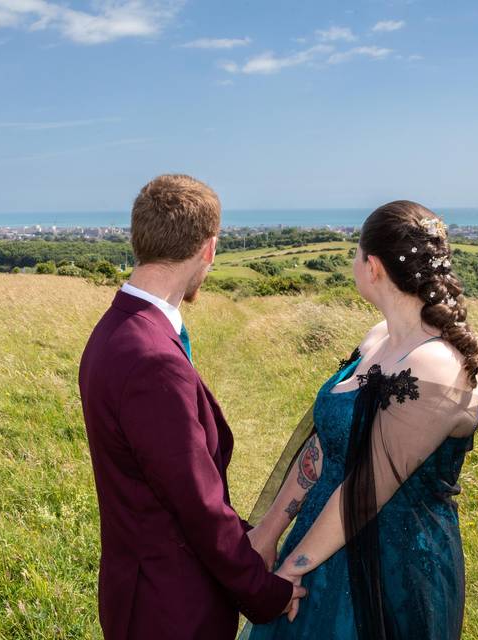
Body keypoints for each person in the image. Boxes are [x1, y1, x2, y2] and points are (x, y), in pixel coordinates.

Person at [241, 200, 478, 639]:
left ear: (371, 265)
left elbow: (365, 491)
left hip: (390, 569)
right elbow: (325, 443)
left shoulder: (436, 366)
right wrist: (268, 533)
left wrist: (292, 570)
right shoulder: (377, 338)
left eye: (356, 254)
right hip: (318, 535)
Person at [78, 174, 305, 640]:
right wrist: (265, 592)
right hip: (171, 607)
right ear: (209, 249)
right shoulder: (153, 358)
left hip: (138, 589)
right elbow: (196, 507)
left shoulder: (117, 327)